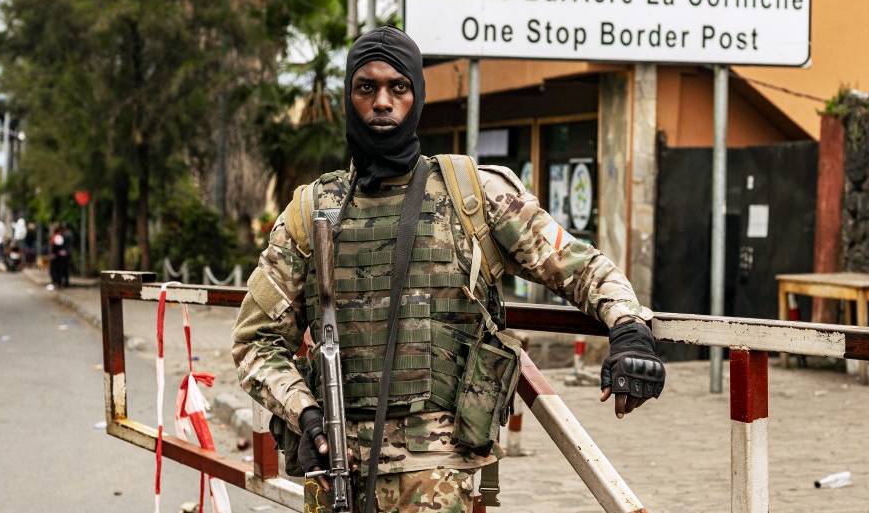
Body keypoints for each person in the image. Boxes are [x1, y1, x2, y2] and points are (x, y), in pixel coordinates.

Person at [231, 27, 666, 513]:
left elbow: (582, 268)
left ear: (417, 98)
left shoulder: (473, 194)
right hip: (337, 465)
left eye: (398, 87)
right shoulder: (312, 210)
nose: (382, 102)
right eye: (366, 87)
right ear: (348, 97)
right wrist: (305, 412)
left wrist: (629, 329)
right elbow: (256, 341)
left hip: (439, 471)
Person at [48, 225, 70, 290]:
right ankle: (60, 282)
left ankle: (57, 282)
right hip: (62, 256)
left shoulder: (57, 237)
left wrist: (53, 253)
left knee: (55, 270)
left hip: (57, 256)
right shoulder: (62, 236)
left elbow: (55, 247)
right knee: (61, 270)